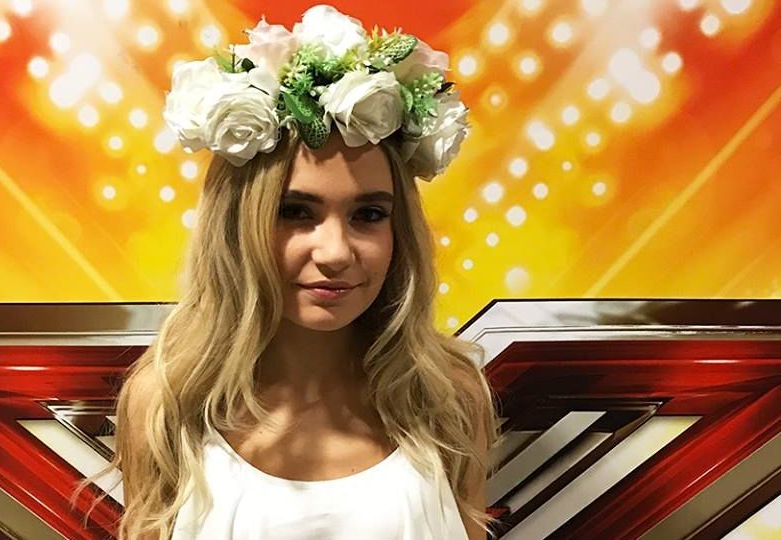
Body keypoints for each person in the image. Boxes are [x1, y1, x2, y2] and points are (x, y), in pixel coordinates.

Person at [78, 5, 500, 539]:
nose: (335, 252)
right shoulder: (168, 408)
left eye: (369, 215)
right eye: (295, 212)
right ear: (237, 225)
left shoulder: (447, 399)